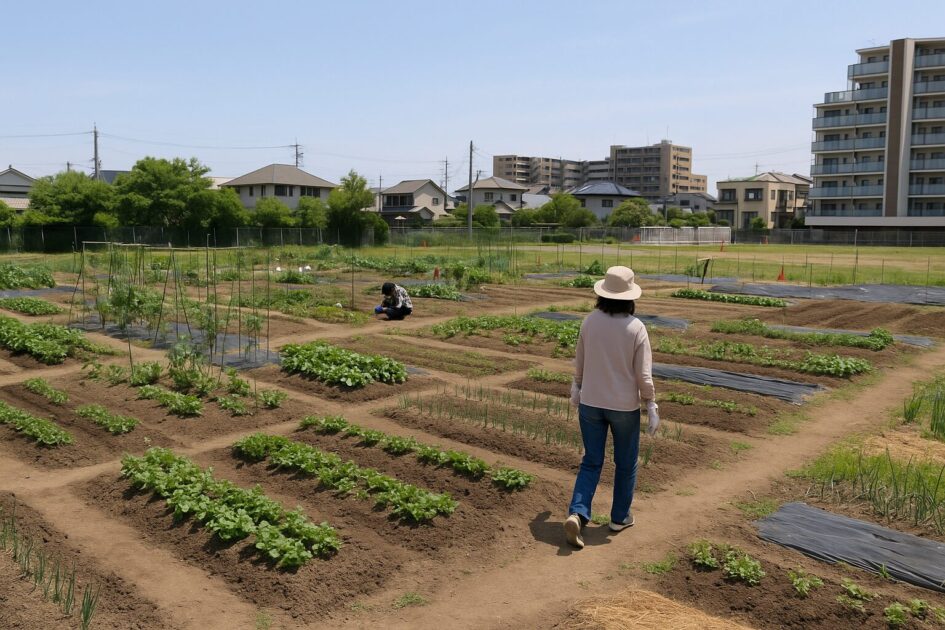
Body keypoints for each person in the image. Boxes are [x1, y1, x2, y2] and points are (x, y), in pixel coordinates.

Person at [564, 265, 658, 549]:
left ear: (602, 294)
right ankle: (619, 517)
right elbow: (643, 375)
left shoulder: (589, 322)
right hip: (623, 407)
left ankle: (578, 513)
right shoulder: (635, 327)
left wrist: (577, 386)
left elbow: (579, 360)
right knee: (625, 462)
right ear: (630, 297)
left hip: (591, 402)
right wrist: (651, 403)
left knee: (592, 460)